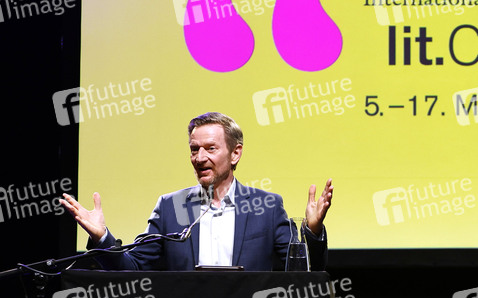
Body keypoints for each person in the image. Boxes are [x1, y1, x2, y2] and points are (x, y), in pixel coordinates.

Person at [61, 111, 333, 271]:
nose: (199, 158)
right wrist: (101, 237)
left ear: (235, 153)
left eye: (210, 149)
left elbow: (303, 272)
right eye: (194, 149)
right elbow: (132, 269)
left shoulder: (267, 207)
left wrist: (313, 232)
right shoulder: (170, 207)